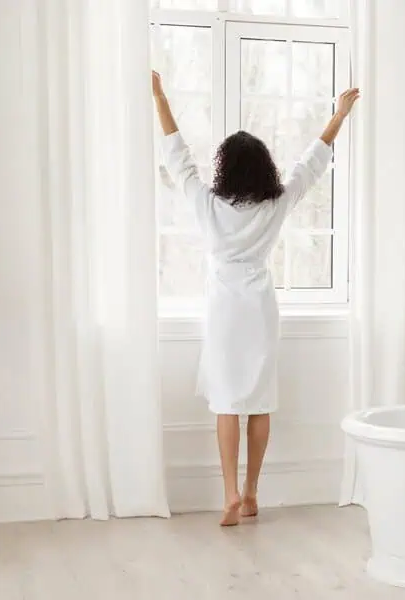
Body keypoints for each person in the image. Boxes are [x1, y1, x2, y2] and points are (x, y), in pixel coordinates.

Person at [151, 71, 359, 526]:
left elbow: (177, 157)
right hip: (261, 310)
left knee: (227, 402)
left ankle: (228, 493)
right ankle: (250, 494)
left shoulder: (209, 205)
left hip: (225, 312)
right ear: (263, 166)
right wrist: (337, 116)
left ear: (225, 167)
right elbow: (311, 163)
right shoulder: (275, 204)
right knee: (259, 401)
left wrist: (161, 97)